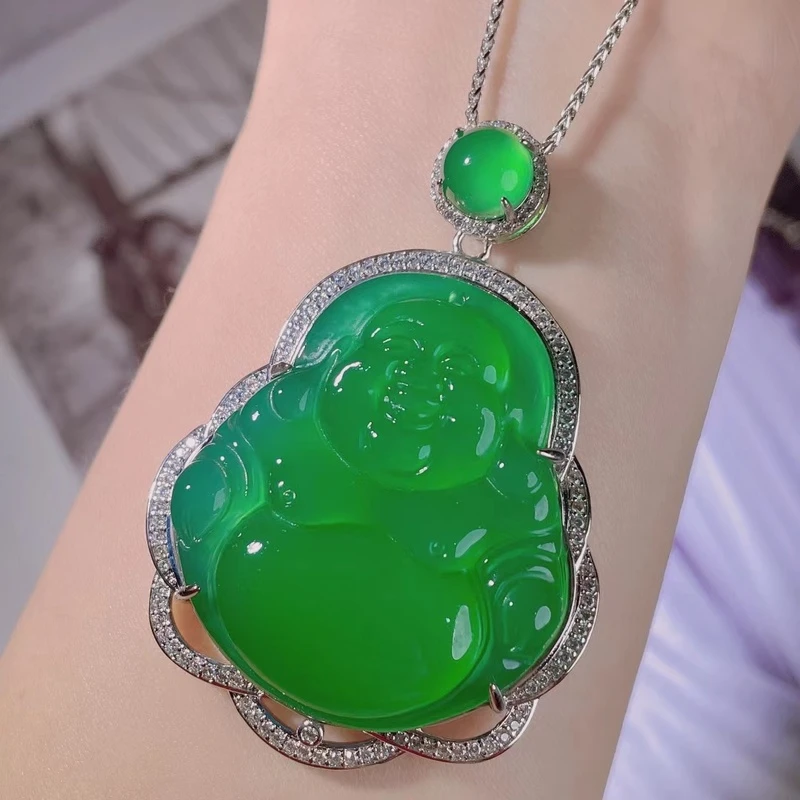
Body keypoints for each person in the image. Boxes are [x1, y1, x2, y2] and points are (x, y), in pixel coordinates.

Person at [1, 1, 799, 797]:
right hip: (268, 593)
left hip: (421, 644)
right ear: (333, 366)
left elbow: (531, 584)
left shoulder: (513, 486)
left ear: (505, 421)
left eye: (458, 380)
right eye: (395, 359)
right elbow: (213, 477)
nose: (419, 387)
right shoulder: (289, 424)